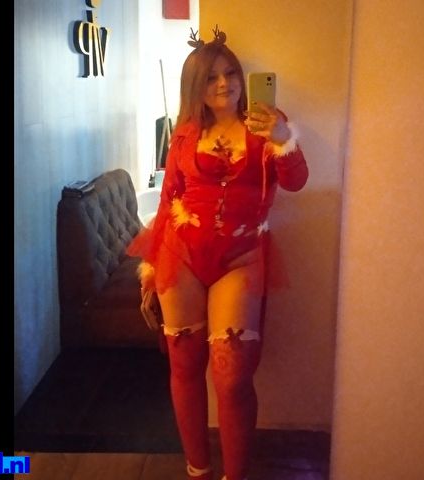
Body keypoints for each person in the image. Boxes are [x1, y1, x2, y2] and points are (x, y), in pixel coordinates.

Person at [127, 25, 308, 480]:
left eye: (230, 73)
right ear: (196, 87)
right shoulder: (185, 133)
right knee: (184, 365)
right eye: (211, 77)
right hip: (181, 255)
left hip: (241, 259)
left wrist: (283, 137)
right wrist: (151, 268)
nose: (224, 83)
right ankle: (198, 469)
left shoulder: (267, 123)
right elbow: (169, 198)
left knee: (231, 376)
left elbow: (296, 182)